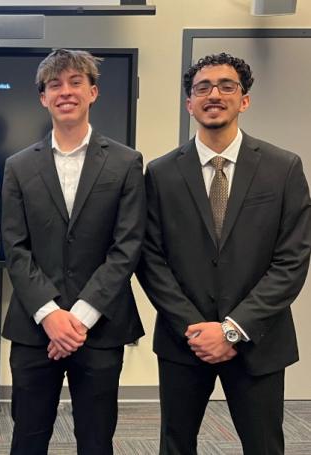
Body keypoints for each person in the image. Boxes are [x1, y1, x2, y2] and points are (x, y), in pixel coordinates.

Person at [137, 52, 311, 455]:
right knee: (176, 445)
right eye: (203, 88)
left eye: (226, 86)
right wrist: (195, 328)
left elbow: (292, 260)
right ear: (189, 103)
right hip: (186, 340)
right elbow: (151, 258)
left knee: (264, 445)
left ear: (244, 99)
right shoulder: (161, 174)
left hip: (258, 339)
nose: (214, 94)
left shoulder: (283, 168)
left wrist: (233, 330)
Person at [1, 49, 145, 455]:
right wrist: (51, 316)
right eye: (54, 85)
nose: (65, 92)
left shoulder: (126, 162)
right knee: (27, 438)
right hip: (35, 328)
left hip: (99, 328)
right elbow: (15, 246)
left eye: (75, 82)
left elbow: (127, 246)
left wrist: (78, 319)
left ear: (93, 91)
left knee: (96, 440)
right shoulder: (17, 166)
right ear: (43, 98)